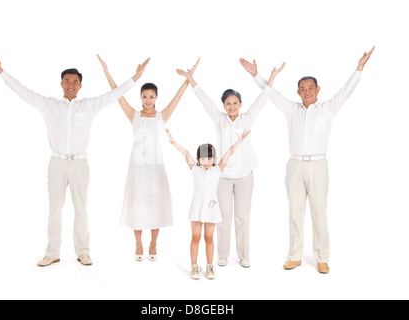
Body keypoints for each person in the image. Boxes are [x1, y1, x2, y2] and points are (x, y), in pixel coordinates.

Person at [0, 48, 149, 267]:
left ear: (80, 85)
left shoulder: (89, 106)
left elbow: (113, 95)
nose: (70, 84)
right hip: (56, 162)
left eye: (74, 81)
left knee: (81, 208)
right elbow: (23, 91)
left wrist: (135, 78)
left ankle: (83, 252)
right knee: (55, 208)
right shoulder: (49, 106)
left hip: (80, 164)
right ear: (61, 84)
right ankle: (52, 252)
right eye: (66, 81)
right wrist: (1, 71)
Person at [240, 46, 375, 274]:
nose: (307, 91)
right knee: (295, 211)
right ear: (298, 92)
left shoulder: (327, 109)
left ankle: (322, 256)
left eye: (310, 88)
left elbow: (346, 90)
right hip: (294, 165)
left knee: (319, 211)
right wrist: (256, 74)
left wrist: (359, 68)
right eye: (302, 89)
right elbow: (271, 93)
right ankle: (294, 255)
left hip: (318, 165)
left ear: (318, 89)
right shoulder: (291, 109)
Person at [176, 59, 281, 268]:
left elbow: (264, 98)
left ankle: (244, 255)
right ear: (224, 106)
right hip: (222, 178)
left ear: (240, 104)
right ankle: (222, 255)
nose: (231, 106)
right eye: (227, 103)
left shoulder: (247, 118)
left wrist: (271, 77)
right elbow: (204, 100)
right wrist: (191, 79)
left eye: (235, 103)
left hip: (244, 177)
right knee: (222, 217)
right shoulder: (219, 119)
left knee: (243, 216)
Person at [98, 56, 199, 261]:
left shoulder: (162, 116)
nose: (148, 100)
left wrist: (189, 77)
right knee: (137, 203)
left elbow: (178, 97)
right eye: (145, 96)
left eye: (151, 97)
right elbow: (117, 93)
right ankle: (138, 243)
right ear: (140, 97)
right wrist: (106, 71)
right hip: (137, 169)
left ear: (156, 98)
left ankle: (153, 242)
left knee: (155, 204)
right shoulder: (134, 115)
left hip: (155, 168)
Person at [165, 128, 250, 279]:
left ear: (214, 158)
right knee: (195, 236)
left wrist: (239, 141)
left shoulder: (217, 170)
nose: (206, 162)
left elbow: (229, 153)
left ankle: (210, 266)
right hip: (197, 207)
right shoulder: (195, 169)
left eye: (209, 159)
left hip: (211, 208)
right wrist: (173, 142)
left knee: (209, 237)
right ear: (198, 159)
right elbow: (185, 153)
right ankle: (194, 266)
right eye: (203, 159)